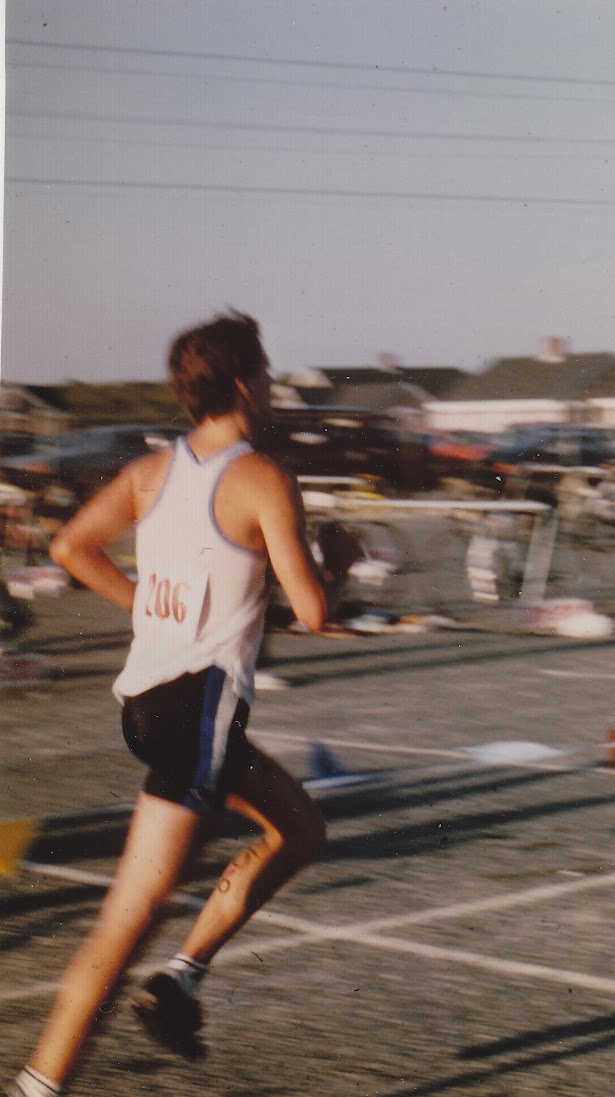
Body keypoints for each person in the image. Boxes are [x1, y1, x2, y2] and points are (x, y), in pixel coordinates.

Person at [8, 312, 330, 1097]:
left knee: (300, 828)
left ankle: (182, 978)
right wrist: (337, 560)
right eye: (267, 372)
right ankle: (37, 1087)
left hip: (153, 703)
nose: (272, 385)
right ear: (246, 384)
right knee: (127, 920)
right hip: (198, 711)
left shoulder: (152, 469)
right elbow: (314, 610)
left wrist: (145, 608)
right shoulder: (263, 476)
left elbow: (69, 546)